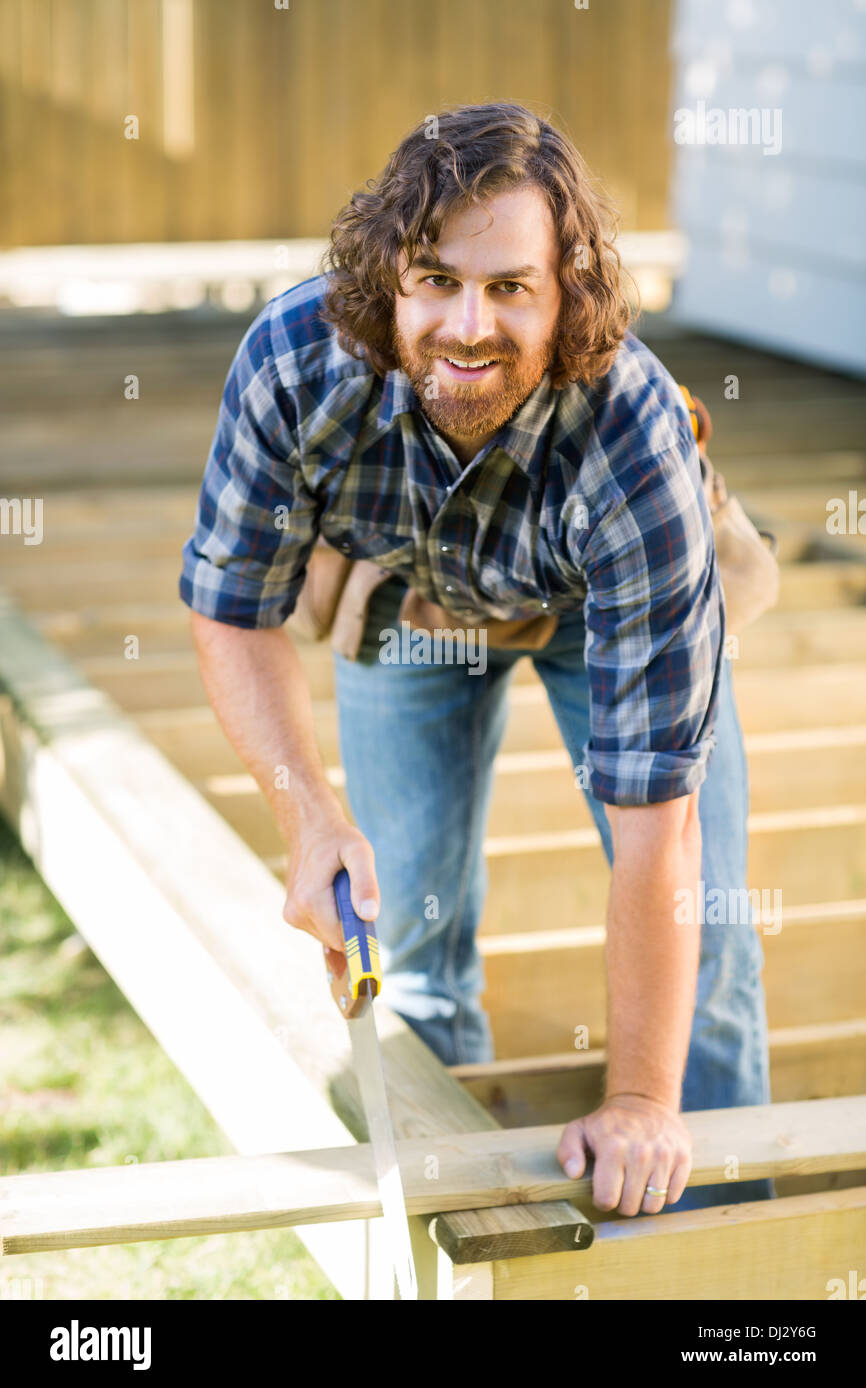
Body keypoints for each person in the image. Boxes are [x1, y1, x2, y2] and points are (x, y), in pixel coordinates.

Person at [179, 101, 773, 1218]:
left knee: (717, 968)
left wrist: (640, 1094)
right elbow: (231, 606)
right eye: (435, 279)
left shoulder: (629, 440)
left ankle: (720, 1274)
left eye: (509, 288)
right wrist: (306, 814)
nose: (465, 324)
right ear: (387, 279)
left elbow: (660, 830)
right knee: (410, 956)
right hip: (414, 589)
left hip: (602, 603)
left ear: (567, 298)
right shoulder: (293, 365)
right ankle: (449, 1236)